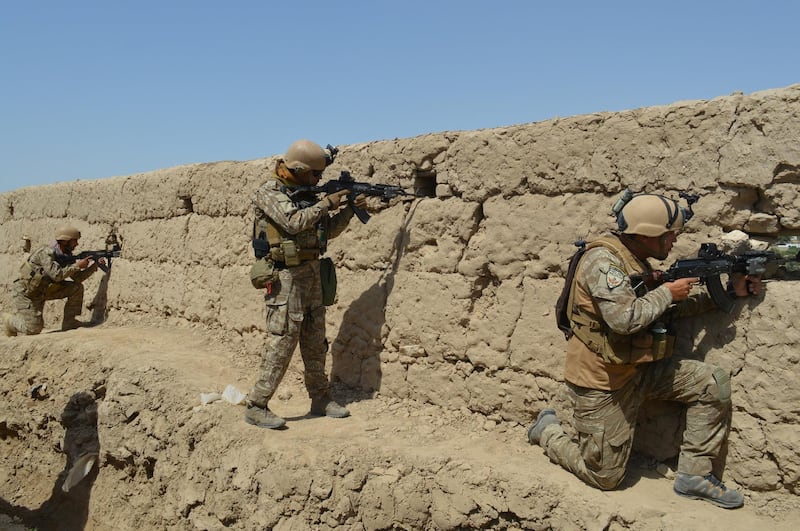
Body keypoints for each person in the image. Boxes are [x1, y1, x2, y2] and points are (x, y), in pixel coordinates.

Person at [527, 192, 762, 509]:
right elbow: (624, 320)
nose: (673, 239)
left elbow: (666, 311)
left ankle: (694, 476)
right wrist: (666, 292)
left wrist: (730, 292)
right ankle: (548, 431)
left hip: (638, 369)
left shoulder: (636, 262)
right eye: (668, 234)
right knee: (605, 478)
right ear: (646, 234)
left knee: (713, 382)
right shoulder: (603, 263)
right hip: (601, 383)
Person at [244, 139, 367, 430]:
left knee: (315, 341)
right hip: (284, 278)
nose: (318, 180)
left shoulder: (307, 195)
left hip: (311, 274)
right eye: (314, 175)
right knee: (282, 341)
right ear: (297, 170)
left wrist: (349, 210)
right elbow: (294, 221)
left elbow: (325, 233)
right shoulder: (269, 193)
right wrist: (327, 202)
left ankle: (320, 398)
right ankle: (257, 404)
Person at [3, 225, 106, 336]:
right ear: (65, 241)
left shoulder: (65, 256)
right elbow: (56, 275)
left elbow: (78, 278)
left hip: (44, 290)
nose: (77, 244)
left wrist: (94, 266)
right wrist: (77, 266)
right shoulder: (46, 253)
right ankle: (9, 321)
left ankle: (69, 322)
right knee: (33, 329)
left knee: (76, 288)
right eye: (74, 241)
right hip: (27, 293)